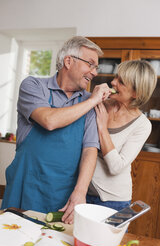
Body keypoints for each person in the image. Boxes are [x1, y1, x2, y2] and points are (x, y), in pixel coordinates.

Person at [1, 36, 111, 224]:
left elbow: (90, 150)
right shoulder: (33, 86)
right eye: (90, 64)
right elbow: (49, 120)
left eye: (96, 68)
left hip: (62, 196)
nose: (94, 73)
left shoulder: (89, 103)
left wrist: (80, 192)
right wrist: (93, 100)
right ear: (68, 61)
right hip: (24, 187)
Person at [87, 60, 157, 211]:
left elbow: (116, 167)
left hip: (112, 201)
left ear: (136, 93)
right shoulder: (102, 104)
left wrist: (102, 128)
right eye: (115, 77)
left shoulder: (142, 125)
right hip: (82, 192)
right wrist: (93, 98)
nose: (112, 82)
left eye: (121, 81)